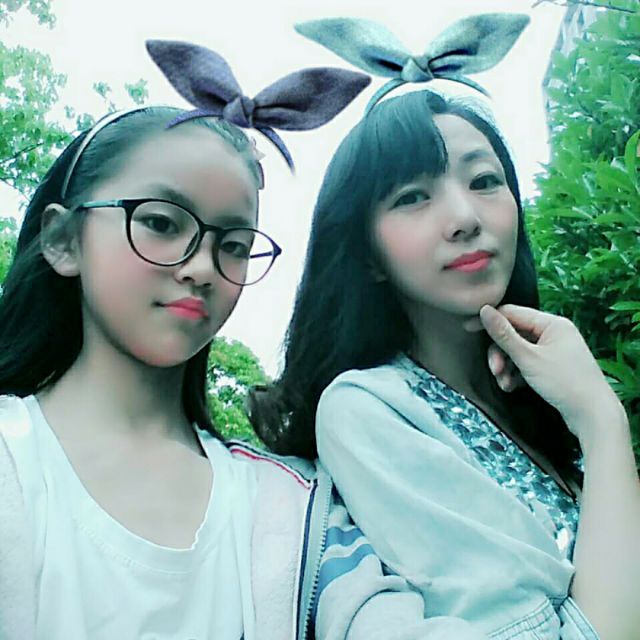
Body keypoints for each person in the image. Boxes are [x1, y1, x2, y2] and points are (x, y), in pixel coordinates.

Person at [0, 40, 443, 640]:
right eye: (161, 222)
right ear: (63, 240)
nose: (203, 267)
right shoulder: (14, 460)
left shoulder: (292, 508)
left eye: (233, 245)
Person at [249, 16, 640, 640]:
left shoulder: (538, 398)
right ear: (367, 254)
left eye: (485, 181)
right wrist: (602, 420)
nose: (464, 217)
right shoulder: (368, 408)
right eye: (412, 196)